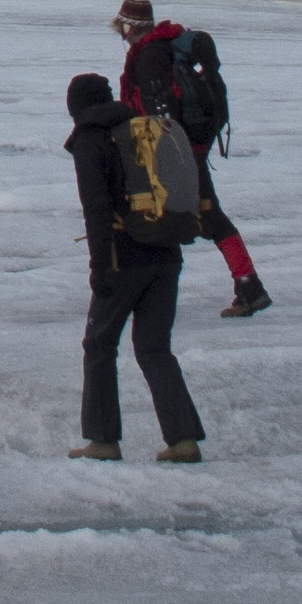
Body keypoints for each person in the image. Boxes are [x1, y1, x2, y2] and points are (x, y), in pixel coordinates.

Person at [60, 71, 204, 462]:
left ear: (76, 106)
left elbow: (97, 210)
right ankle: (184, 440)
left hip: (126, 256)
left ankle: (103, 440)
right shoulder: (140, 130)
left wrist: (100, 267)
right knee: (155, 348)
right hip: (167, 252)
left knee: (99, 344)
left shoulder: (92, 140)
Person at [113, 0, 269, 318]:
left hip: (177, 153)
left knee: (170, 217)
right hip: (190, 149)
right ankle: (249, 285)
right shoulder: (162, 48)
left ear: (129, 27)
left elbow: (161, 114)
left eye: (122, 28)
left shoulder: (149, 56)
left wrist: (161, 156)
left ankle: (150, 294)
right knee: (205, 215)